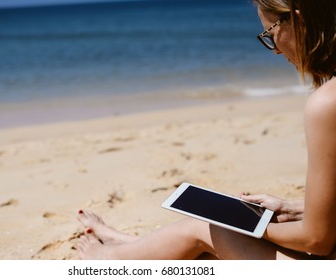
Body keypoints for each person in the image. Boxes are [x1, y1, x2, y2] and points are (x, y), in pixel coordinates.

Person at [75, 0, 336, 260]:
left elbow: (317, 239)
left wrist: (254, 227)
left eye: (270, 34)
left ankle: (111, 259)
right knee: (211, 243)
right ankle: (131, 245)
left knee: (206, 228)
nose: (276, 50)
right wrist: (294, 209)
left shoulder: (326, 104)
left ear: (299, 22)